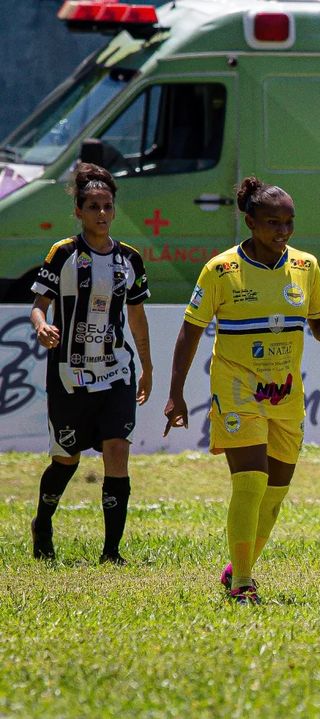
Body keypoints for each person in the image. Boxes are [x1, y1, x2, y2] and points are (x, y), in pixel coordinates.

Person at [163, 176, 320, 604]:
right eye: (272, 222)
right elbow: (190, 331)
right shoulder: (220, 270)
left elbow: (317, 324)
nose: (282, 231)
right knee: (250, 481)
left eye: (288, 222)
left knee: (276, 492)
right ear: (249, 222)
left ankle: (237, 564)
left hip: (285, 394)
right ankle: (243, 583)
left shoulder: (306, 266)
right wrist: (175, 393)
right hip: (236, 389)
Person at [29, 162, 152, 565]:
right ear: (79, 211)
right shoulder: (64, 253)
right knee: (66, 459)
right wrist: (42, 326)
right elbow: (39, 304)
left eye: (107, 206)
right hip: (69, 375)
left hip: (116, 370)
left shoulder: (130, 259)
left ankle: (111, 552)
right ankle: (42, 523)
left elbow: (136, 316)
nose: (101, 213)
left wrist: (147, 367)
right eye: (93, 206)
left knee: (117, 450)